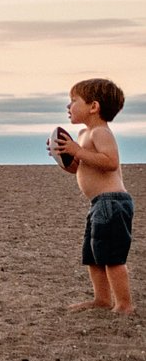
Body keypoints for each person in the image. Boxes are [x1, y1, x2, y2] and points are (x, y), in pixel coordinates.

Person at [50, 78, 130, 314]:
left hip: (113, 202)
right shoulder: (84, 134)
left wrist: (77, 150)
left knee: (112, 256)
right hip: (98, 204)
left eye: (74, 101)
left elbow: (110, 162)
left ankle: (124, 304)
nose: (68, 106)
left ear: (93, 106)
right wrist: (63, 157)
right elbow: (79, 168)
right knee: (94, 254)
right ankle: (102, 299)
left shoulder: (101, 133)